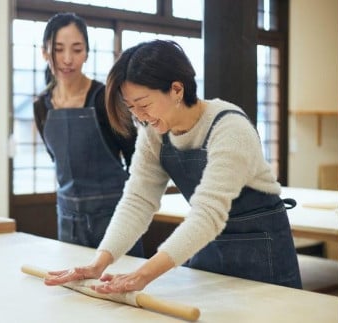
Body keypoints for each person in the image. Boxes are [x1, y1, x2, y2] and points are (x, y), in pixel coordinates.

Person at [44, 39, 302, 293]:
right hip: (209, 247)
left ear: (177, 90)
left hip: (263, 253)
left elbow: (208, 214)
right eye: (131, 108)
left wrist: (143, 275)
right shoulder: (153, 133)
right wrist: (98, 263)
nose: (139, 117)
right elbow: (138, 200)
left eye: (144, 104)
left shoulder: (229, 127)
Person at [33, 12, 144, 257]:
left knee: (121, 286)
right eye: (58, 50)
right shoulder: (41, 106)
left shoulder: (105, 98)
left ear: (87, 53)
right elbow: (57, 159)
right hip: (68, 218)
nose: (67, 59)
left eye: (77, 49)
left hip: (115, 218)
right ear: (44, 53)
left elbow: (136, 158)